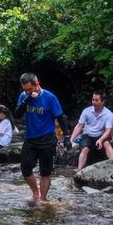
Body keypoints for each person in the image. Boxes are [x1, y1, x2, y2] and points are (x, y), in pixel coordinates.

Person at [14, 72, 71, 202]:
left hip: (47, 139)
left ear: (37, 84)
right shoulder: (24, 96)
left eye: (30, 89)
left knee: (45, 172)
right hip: (30, 139)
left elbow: (60, 118)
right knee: (25, 168)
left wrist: (67, 137)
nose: (28, 91)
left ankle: (43, 199)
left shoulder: (49, 97)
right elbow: (17, 115)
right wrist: (27, 99)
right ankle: (36, 192)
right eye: (25, 90)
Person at [70, 92, 113, 170]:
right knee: (85, 149)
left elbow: (108, 130)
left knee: (107, 144)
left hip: (101, 134)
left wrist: (100, 140)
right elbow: (79, 126)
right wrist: (71, 139)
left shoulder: (108, 114)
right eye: (93, 100)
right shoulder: (86, 111)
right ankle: (79, 169)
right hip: (88, 134)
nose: (94, 102)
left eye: (96, 100)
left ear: (102, 101)